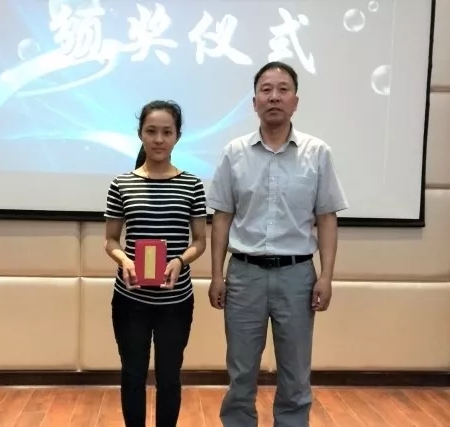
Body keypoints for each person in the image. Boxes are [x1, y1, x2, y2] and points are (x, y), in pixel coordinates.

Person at [206, 61, 349, 427]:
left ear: (295, 101)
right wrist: (217, 275)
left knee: (295, 373)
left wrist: (326, 276)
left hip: (297, 276)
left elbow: (327, 218)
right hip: (244, 275)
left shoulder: (317, 153)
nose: (274, 97)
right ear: (254, 101)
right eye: (266, 89)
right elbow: (222, 217)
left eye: (283, 89)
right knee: (241, 372)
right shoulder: (234, 152)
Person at [103, 100, 207, 427]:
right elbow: (110, 240)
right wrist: (125, 260)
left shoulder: (192, 185)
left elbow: (200, 241)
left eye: (166, 132)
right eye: (151, 131)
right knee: (132, 375)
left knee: (169, 377)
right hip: (130, 299)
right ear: (140, 134)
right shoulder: (122, 184)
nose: (159, 139)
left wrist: (179, 260)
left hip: (175, 302)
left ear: (177, 137)